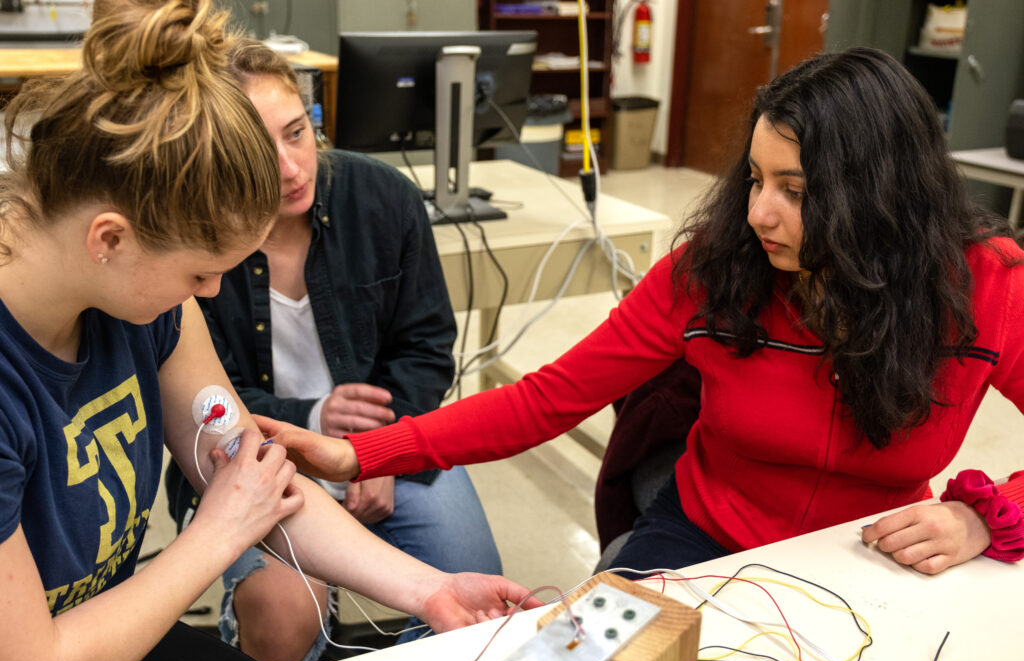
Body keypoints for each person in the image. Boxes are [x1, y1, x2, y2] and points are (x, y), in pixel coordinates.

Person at [258, 47, 1024, 579]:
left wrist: (985, 520)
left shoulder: (986, 283)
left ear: (881, 193)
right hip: (704, 534)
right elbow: (545, 398)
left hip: (872, 548)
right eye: (755, 178)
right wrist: (363, 453)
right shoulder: (713, 270)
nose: (759, 211)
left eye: (795, 190)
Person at [0, 2, 538, 661]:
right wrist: (219, 530)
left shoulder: (139, 303)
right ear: (109, 238)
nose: (210, 295)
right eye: (201, 272)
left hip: (104, 629)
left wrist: (427, 589)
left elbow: (250, 473)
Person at [163, 39, 502, 661]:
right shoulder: (190, 243)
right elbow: (202, 400)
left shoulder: (384, 198)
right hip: (249, 453)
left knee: (474, 588)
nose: (292, 168)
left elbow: (426, 347)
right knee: (284, 613)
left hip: (383, 438)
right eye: (262, 153)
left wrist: (383, 449)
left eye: (299, 133)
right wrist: (314, 418)